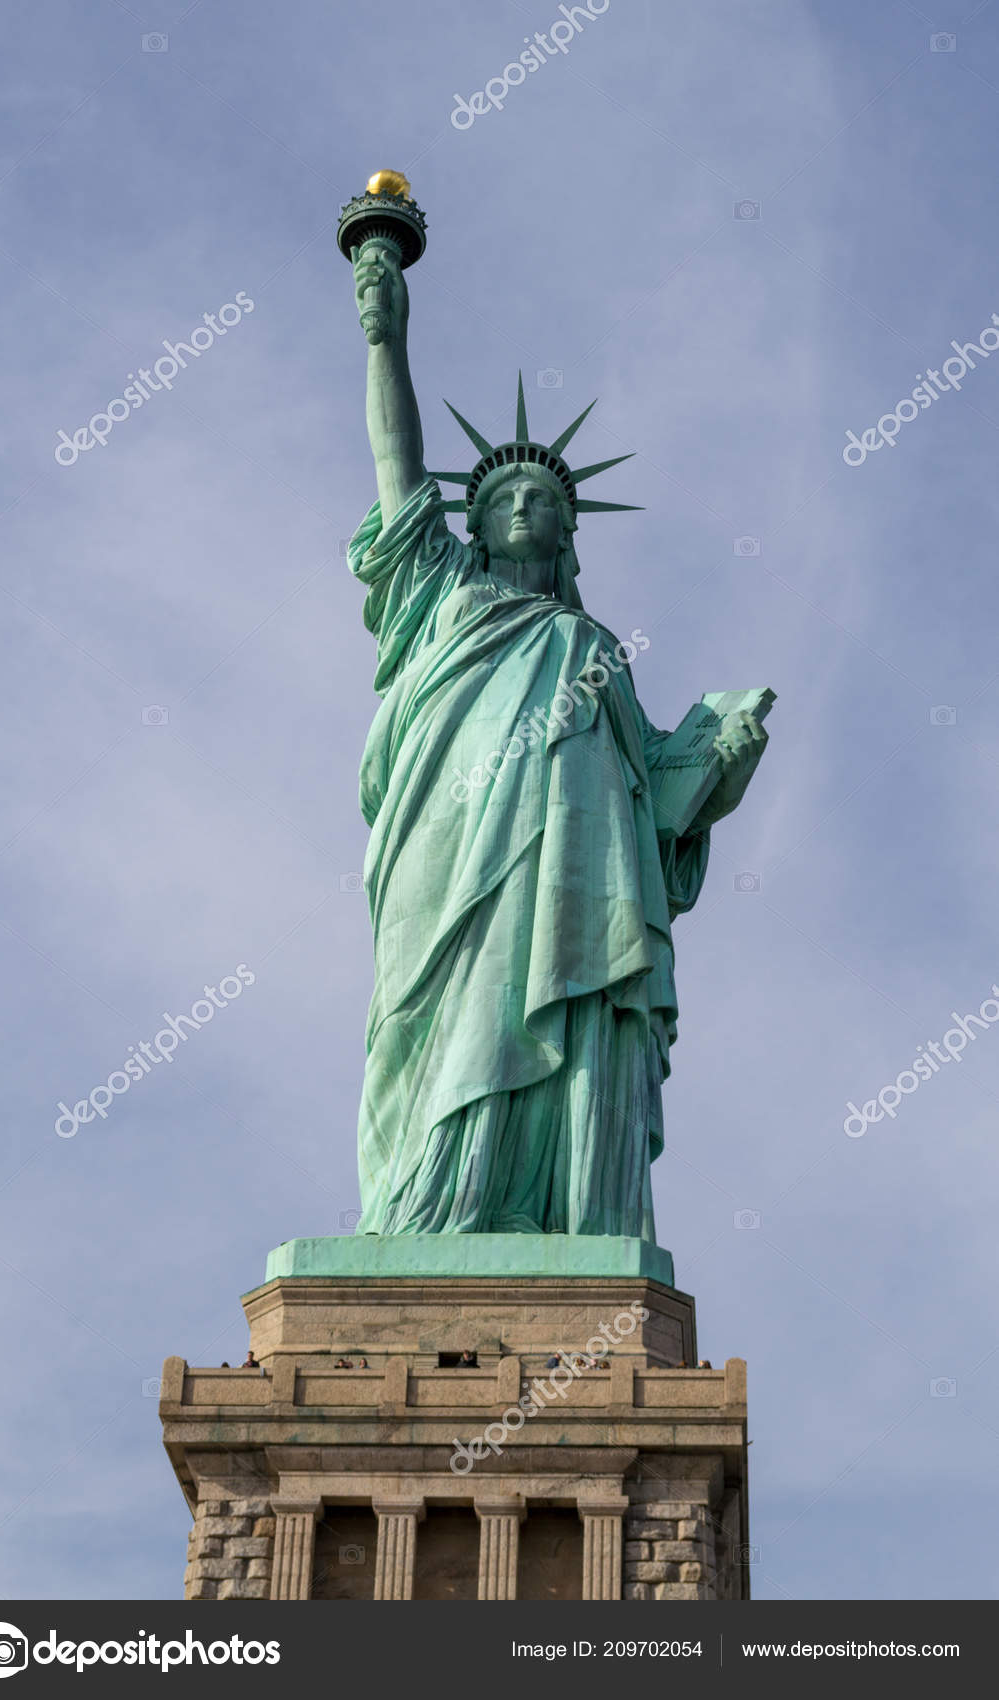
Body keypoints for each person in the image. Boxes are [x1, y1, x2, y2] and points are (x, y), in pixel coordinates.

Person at [346, 242, 768, 1239]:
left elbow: (651, 797)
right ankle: (428, 1214)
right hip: (450, 855)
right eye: (502, 499)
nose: (525, 506)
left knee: (565, 1016)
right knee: (442, 1024)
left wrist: (719, 755)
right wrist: (387, 341)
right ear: (477, 527)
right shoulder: (442, 594)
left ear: (567, 530)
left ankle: (566, 1217)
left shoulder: (593, 647)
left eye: (544, 499)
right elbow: (397, 469)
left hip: (576, 874)